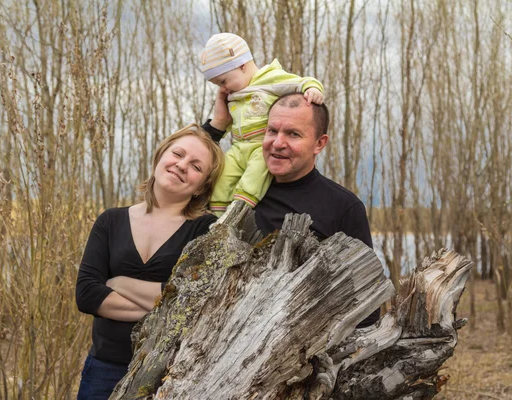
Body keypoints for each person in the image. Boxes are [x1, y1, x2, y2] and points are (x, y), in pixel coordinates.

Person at [75, 124, 224, 399]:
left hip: (169, 374)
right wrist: (165, 311)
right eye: (177, 154)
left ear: (202, 186)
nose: (181, 165)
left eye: (196, 166)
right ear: (159, 157)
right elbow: (86, 295)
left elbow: (195, 304)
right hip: (103, 370)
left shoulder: (206, 231)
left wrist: (116, 283)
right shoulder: (110, 220)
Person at [204, 93, 379, 326]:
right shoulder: (232, 185)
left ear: (319, 143)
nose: (277, 143)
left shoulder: (343, 207)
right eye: (272, 131)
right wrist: (216, 126)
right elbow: (182, 164)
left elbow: (367, 307)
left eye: (293, 134)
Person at [200, 32, 324, 213]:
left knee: (252, 179)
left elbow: (301, 82)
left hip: (261, 147)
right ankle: (217, 216)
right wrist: (218, 122)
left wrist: (312, 89)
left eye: (223, 81)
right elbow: (223, 127)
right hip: (238, 148)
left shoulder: (269, 78)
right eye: (218, 85)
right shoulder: (233, 95)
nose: (223, 89)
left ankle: (238, 211)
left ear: (241, 65)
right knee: (222, 178)